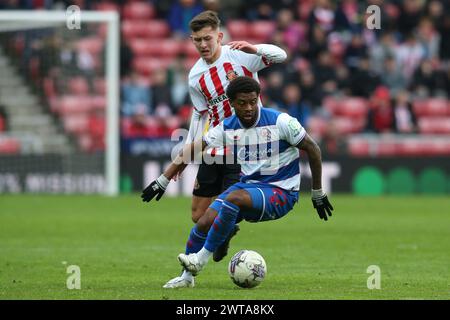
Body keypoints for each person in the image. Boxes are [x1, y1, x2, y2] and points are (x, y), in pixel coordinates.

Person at [141, 77, 334, 288]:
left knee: (233, 198)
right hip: (249, 188)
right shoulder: (227, 127)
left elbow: (313, 148)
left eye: (253, 101)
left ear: (258, 98)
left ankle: (200, 259)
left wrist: (318, 192)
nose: (249, 107)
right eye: (242, 103)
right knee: (204, 221)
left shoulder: (281, 122)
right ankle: (187, 278)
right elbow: (196, 147)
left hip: (281, 192)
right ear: (231, 103)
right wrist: (162, 180)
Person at [177, 9, 287, 271]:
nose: (203, 45)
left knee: (228, 205)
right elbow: (200, 114)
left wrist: (254, 47)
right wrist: (189, 149)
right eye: (197, 40)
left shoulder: (239, 55)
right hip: (214, 148)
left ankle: (202, 256)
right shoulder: (195, 76)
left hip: (245, 147)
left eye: (207, 38)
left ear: (219, 36)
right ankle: (225, 233)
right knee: (197, 215)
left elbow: (281, 55)